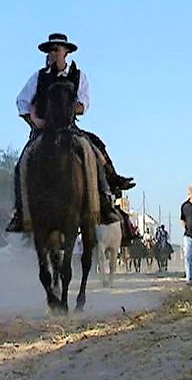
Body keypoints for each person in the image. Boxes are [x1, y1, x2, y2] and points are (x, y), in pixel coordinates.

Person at [7, 33, 136, 235]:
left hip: (68, 126)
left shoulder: (78, 76)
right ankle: (20, 213)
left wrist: (67, 108)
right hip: (44, 129)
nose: (53, 53)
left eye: (57, 49)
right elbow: (21, 103)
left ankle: (105, 198)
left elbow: (84, 104)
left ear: (66, 52)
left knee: (95, 149)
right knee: (21, 163)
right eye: (50, 50)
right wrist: (35, 122)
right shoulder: (39, 77)